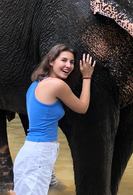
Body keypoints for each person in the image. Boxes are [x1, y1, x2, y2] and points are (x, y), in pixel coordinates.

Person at [13, 44, 96, 195]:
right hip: (38, 155)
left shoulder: (35, 85)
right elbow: (82, 107)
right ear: (51, 61)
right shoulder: (56, 85)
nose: (68, 65)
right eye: (63, 60)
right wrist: (87, 76)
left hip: (31, 153)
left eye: (71, 62)